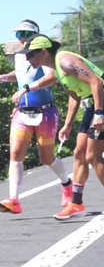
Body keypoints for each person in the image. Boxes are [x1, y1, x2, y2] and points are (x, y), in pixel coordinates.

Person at [0, 20, 72, 213]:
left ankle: (66, 183)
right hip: (23, 112)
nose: (22, 38)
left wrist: (27, 88)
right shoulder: (20, 57)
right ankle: (14, 200)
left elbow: (53, 77)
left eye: (25, 34)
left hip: (45, 112)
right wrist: (0, 78)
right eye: (18, 35)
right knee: (16, 154)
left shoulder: (44, 55)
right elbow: (19, 75)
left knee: (46, 156)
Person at [19, 34, 104, 220]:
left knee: (92, 155)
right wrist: (67, 125)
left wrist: (100, 113)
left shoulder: (64, 60)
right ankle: (76, 203)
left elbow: (97, 81)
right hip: (92, 105)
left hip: (101, 104)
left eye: (30, 55)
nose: (28, 59)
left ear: (43, 52)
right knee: (79, 153)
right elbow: (75, 96)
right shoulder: (57, 69)